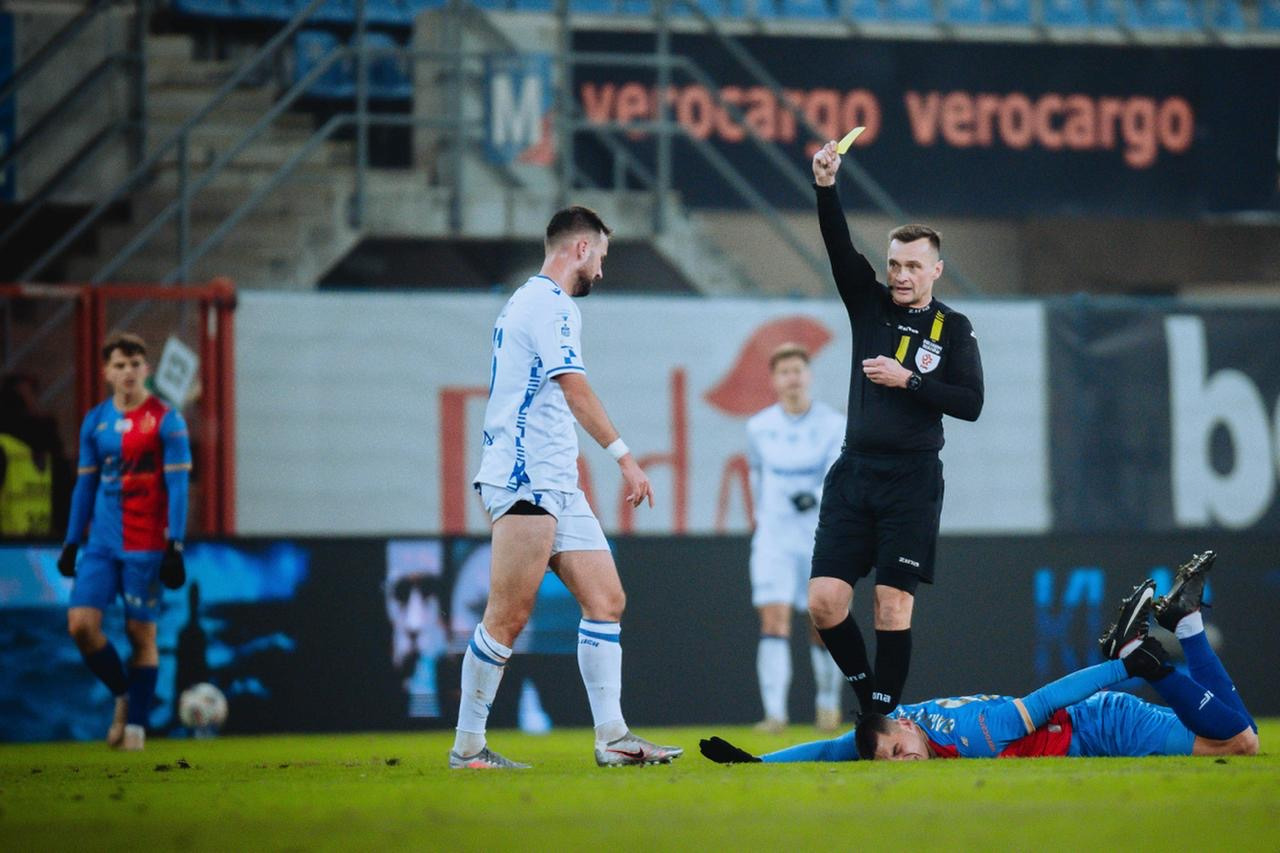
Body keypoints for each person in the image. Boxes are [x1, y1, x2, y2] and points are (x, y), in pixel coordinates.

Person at [452, 206, 682, 770]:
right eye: (600, 256)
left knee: (606, 600)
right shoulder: (550, 305)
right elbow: (574, 389)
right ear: (580, 248)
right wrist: (625, 458)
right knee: (507, 616)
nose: (600, 270)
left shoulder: (527, 302)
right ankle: (468, 747)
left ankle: (613, 738)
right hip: (525, 476)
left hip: (556, 481)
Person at [700, 551, 1258, 764]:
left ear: (905, 729)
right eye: (889, 758)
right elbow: (829, 750)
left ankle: (1148, 656)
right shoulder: (895, 723)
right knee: (1244, 732)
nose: (899, 761)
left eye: (895, 752)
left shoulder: (971, 734)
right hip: (1091, 728)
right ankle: (1187, 622)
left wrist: (1124, 667)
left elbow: (1045, 699)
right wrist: (756, 763)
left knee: (1239, 744)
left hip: (1106, 728)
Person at [807, 139, 984, 720]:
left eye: (913, 266)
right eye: (894, 265)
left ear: (936, 270)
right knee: (824, 602)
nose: (901, 275)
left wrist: (909, 380)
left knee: (891, 604)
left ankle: (882, 719)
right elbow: (839, 248)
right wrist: (826, 186)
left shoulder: (953, 327)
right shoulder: (870, 305)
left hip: (911, 480)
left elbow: (971, 403)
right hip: (855, 473)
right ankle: (872, 704)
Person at [57, 333, 191, 751]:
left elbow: (178, 486)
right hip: (101, 544)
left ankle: (135, 728)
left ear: (146, 369)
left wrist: (176, 545)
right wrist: (71, 542)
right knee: (81, 626)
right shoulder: (95, 421)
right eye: (120, 365)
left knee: (140, 634)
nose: (128, 372)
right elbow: (85, 486)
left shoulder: (167, 420)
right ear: (106, 372)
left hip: (146, 544)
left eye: (135, 364)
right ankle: (124, 693)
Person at [745, 343, 846, 733]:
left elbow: (839, 475)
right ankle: (774, 714)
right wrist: (763, 516)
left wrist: (815, 497)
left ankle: (827, 703)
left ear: (809, 375)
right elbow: (756, 475)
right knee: (773, 621)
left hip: (820, 536)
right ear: (774, 380)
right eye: (784, 372)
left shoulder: (833, 424)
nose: (792, 378)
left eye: (798, 371)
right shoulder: (758, 427)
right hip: (775, 537)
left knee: (823, 620)